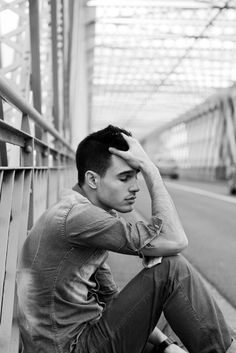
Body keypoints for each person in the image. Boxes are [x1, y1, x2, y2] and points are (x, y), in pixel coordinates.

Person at [16, 125, 235, 353]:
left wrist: (164, 345)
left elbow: (109, 297)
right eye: (124, 178)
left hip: (76, 339)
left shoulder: (79, 211)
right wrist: (152, 171)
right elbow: (174, 240)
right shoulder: (80, 217)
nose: (135, 187)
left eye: (137, 176)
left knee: (178, 313)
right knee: (172, 270)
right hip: (72, 347)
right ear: (92, 179)